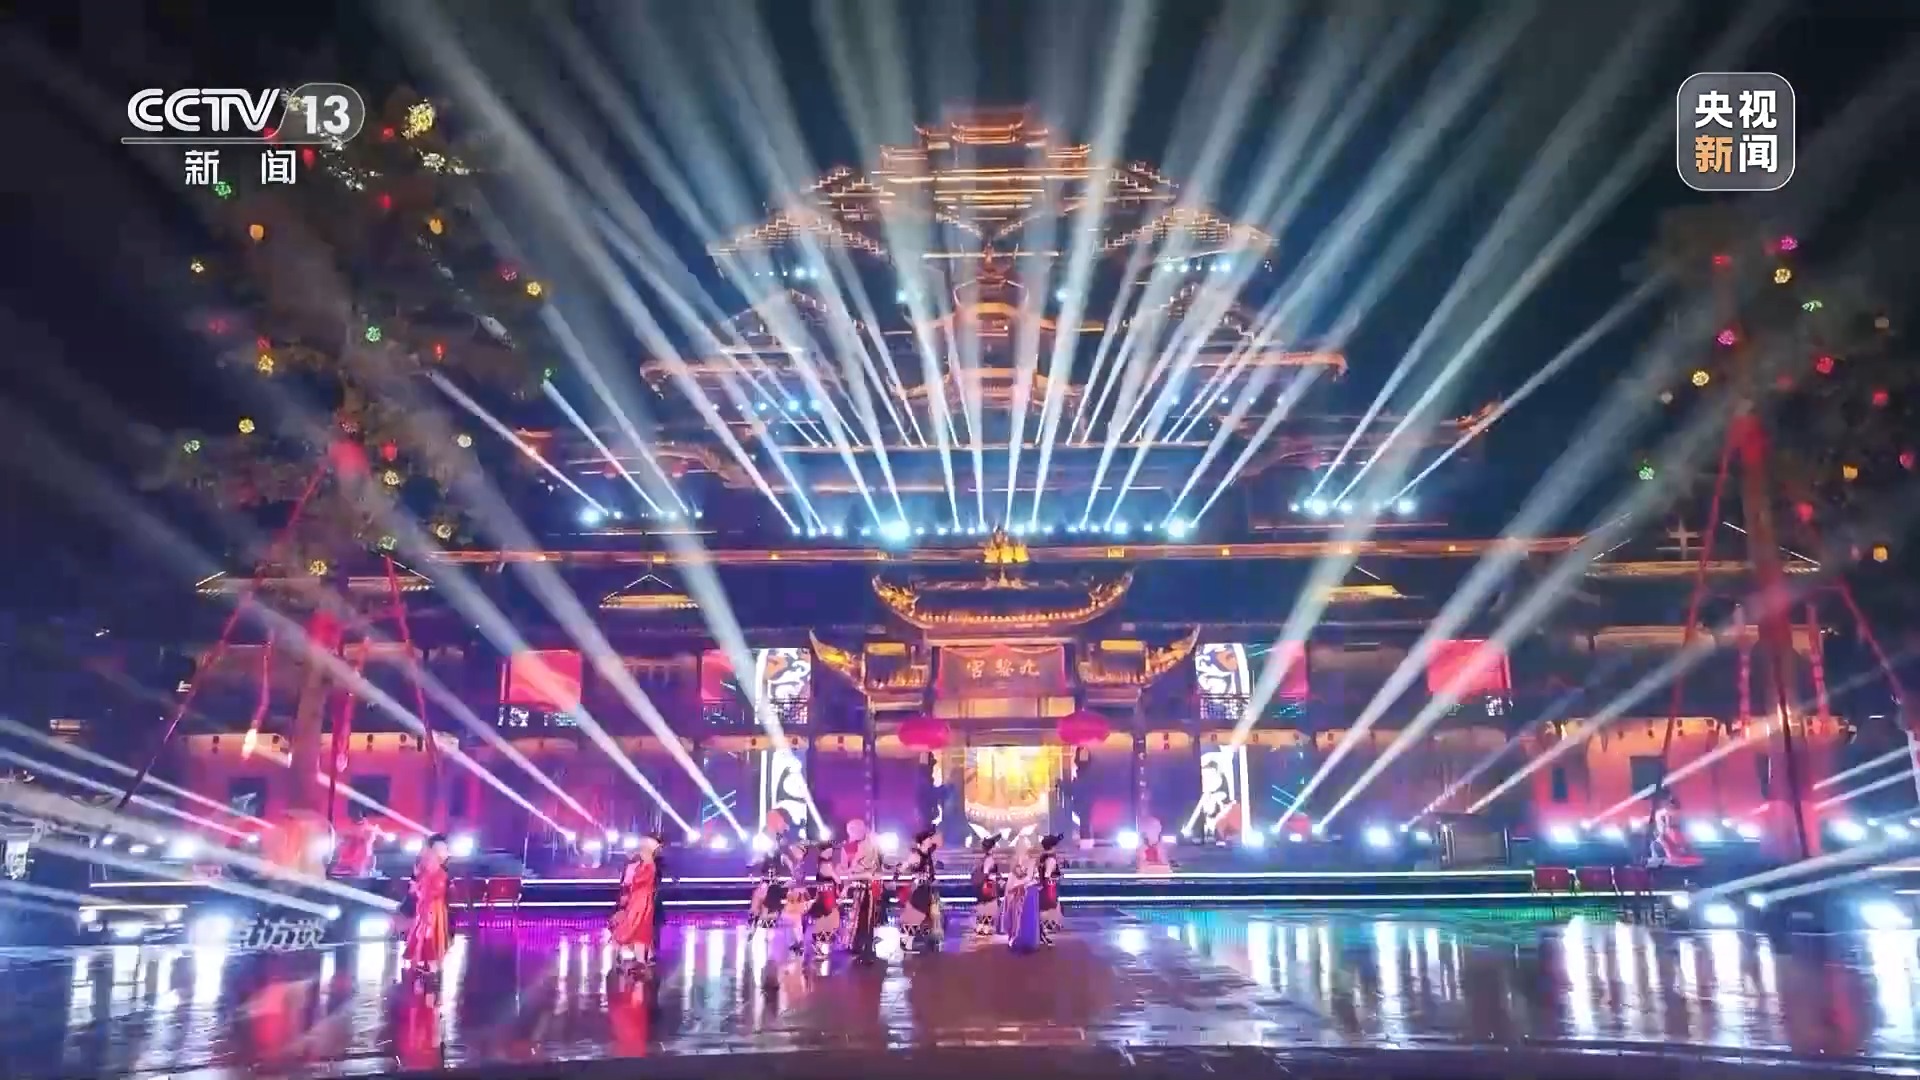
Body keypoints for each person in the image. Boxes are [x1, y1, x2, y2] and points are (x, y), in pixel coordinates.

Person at [403, 833, 452, 979]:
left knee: (430, 935)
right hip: (429, 906)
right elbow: (416, 885)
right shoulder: (427, 866)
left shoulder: (440, 869)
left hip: (436, 905)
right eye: (441, 848)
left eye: (444, 848)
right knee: (426, 934)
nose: (444, 852)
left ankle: (427, 964)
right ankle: (425, 964)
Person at [609, 835, 661, 967]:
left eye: (643, 850)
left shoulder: (650, 866)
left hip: (643, 901)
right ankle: (639, 959)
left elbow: (640, 881)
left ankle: (643, 958)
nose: (640, 853)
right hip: (635, 899)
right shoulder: (639, 866)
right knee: (633, 927)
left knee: (638, 927)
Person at [842, 819, 886, 964]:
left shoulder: (873, 843)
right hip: (858, 888)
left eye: (860, 829)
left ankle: (867, 949)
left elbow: (879, 866)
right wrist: (850, 883)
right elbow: (846, 872)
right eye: (853, 830)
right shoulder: (849, 848)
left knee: (870, 920)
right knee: (858, 920)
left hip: (871, 887)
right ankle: (858, 947)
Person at [896, 827, 943, 952]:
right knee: (914, 915)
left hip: (927, 888)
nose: (931, 840)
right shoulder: (916, 855)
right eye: (929, 838)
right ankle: (906, 943)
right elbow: (904, 866)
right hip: (919, 888)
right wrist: (898, 872)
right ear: (923, 841)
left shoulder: (928, 853)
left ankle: (914, 942)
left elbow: (938, 842)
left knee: (925, 915)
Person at [1004, 835, 1042, 953]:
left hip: (1025, 892)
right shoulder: (1019, 862)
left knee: (1020, 915)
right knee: (1017, 915)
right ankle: (1017, 938)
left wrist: (1024, 883)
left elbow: (1032, 878)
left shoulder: (1029, 861)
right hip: (1020, 892)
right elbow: (1025, 878)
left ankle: (1019, 939)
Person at [805, 840, 842, 956]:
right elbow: (837, 879)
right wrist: (836, 875)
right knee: (827, 919)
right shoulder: (825, 865)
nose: (831, 853)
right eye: (829, 851)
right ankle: (818, 945)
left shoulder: (824, 863)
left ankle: (818, 945)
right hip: (826, 895)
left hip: (826, 894)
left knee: (825, 920)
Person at [972, 835, 1004, 937]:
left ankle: (982, 926)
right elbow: (986, 872)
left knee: (985, 906)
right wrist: (995, 878)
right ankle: (984, 927)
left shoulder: (985, 858)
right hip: (988, 885)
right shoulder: (989, 859)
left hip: (986, 884)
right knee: (989, 906)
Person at [1037, 834, 1065, 946]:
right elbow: (1047, 875)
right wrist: (1055, 878)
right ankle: (1043, 933)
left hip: (1045, 886)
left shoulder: (1043, 858)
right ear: (1053, 846)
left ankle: (1042, 932)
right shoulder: (1050, 859)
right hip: (1049, 887)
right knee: (1047, 909)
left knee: (1045, 909)